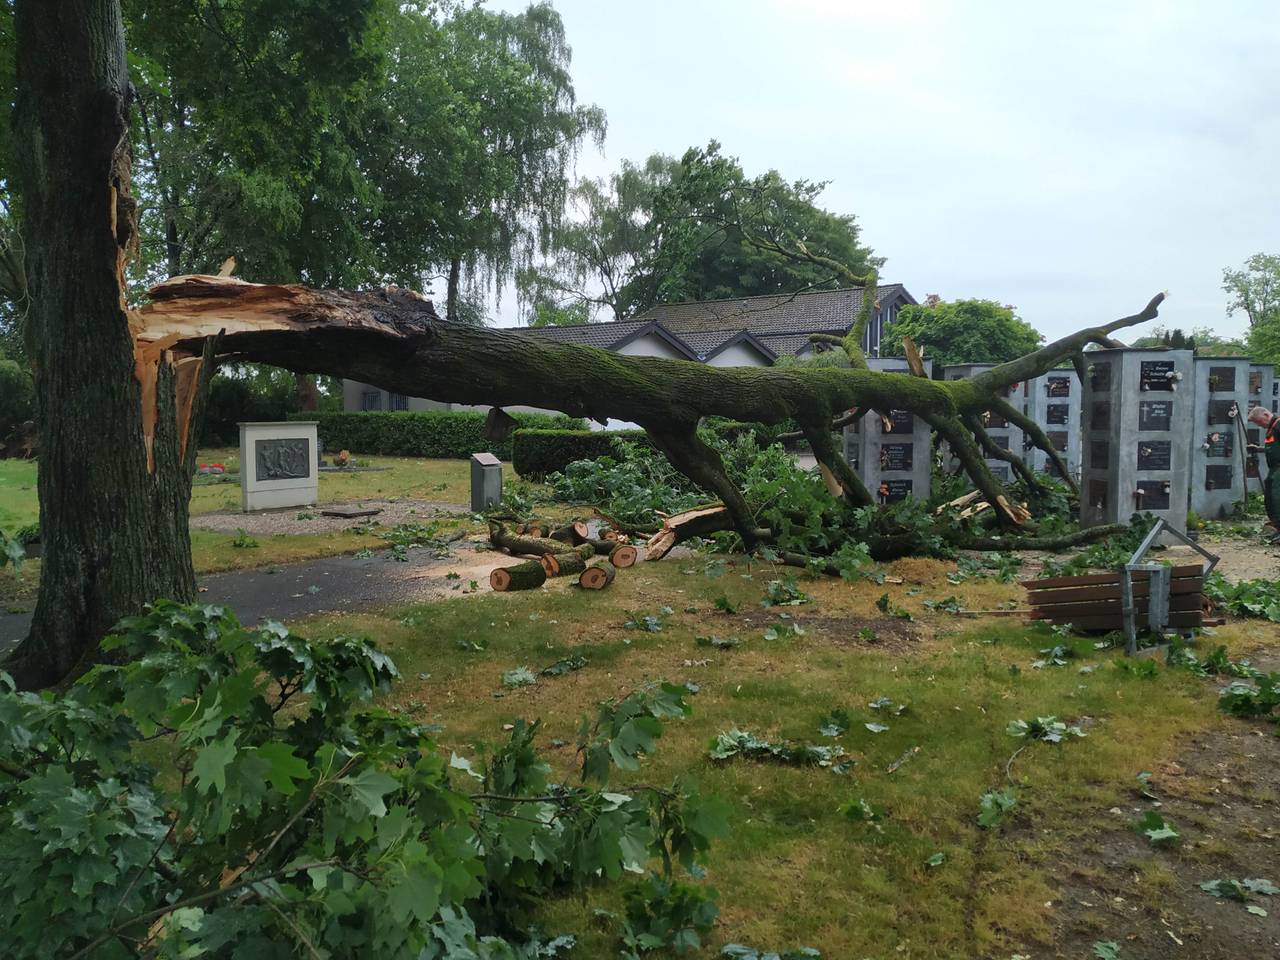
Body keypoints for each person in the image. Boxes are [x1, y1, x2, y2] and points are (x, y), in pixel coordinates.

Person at [1246, 405, 1280, 540]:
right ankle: (1276, 527)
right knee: (1270, 498)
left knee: (1277, 499)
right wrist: (1258, 449)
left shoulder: (1278, 425)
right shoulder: (1271, 429)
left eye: (1259, 422)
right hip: (1274, 469)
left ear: (1266, 415)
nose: (1260, 425)